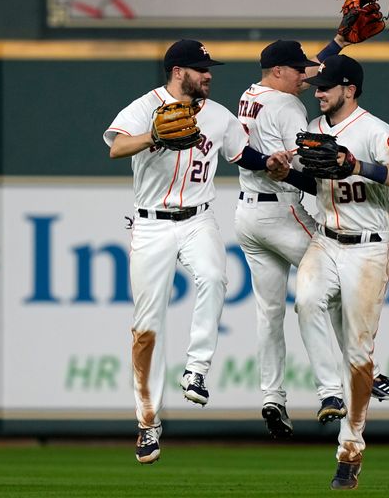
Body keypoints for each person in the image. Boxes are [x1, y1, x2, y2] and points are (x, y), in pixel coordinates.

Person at [103, 39, 286, 465]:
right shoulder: (145, 107)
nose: (209, 75)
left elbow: (244, 154)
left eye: (209, 69)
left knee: (215, 276)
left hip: (198, 218)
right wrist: (152, 136)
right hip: (150, 223)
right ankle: (148, 425)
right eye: (201, 69)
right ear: (177, 71)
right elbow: (115, 147)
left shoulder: (219, 116)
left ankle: (196, 370)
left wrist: (272, 163)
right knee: (146, 327)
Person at [236, 39, 389, 441]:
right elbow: (313, 170)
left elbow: (317, 72)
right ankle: (360, 375)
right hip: (282, 209)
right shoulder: (290, 107)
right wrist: (289, 172)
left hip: (246, 213)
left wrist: (338, 43)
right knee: (327, 278)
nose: (308, 79)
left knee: (270, 311)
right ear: (279, 72)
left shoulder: (251, 94)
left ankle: (272, 396)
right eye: (299, 71)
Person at [273, 54, 389, 490]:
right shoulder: (316, 131)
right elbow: (318, 181)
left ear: (349, 89)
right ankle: (329, 392)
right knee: (307, 301)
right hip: (327, 237)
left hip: (367, 251)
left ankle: (350, 449)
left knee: (359, 354)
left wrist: (356, 165)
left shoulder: (375, 130)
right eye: (317, 86)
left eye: (326, 87)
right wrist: (288, 173)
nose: (317, 92)